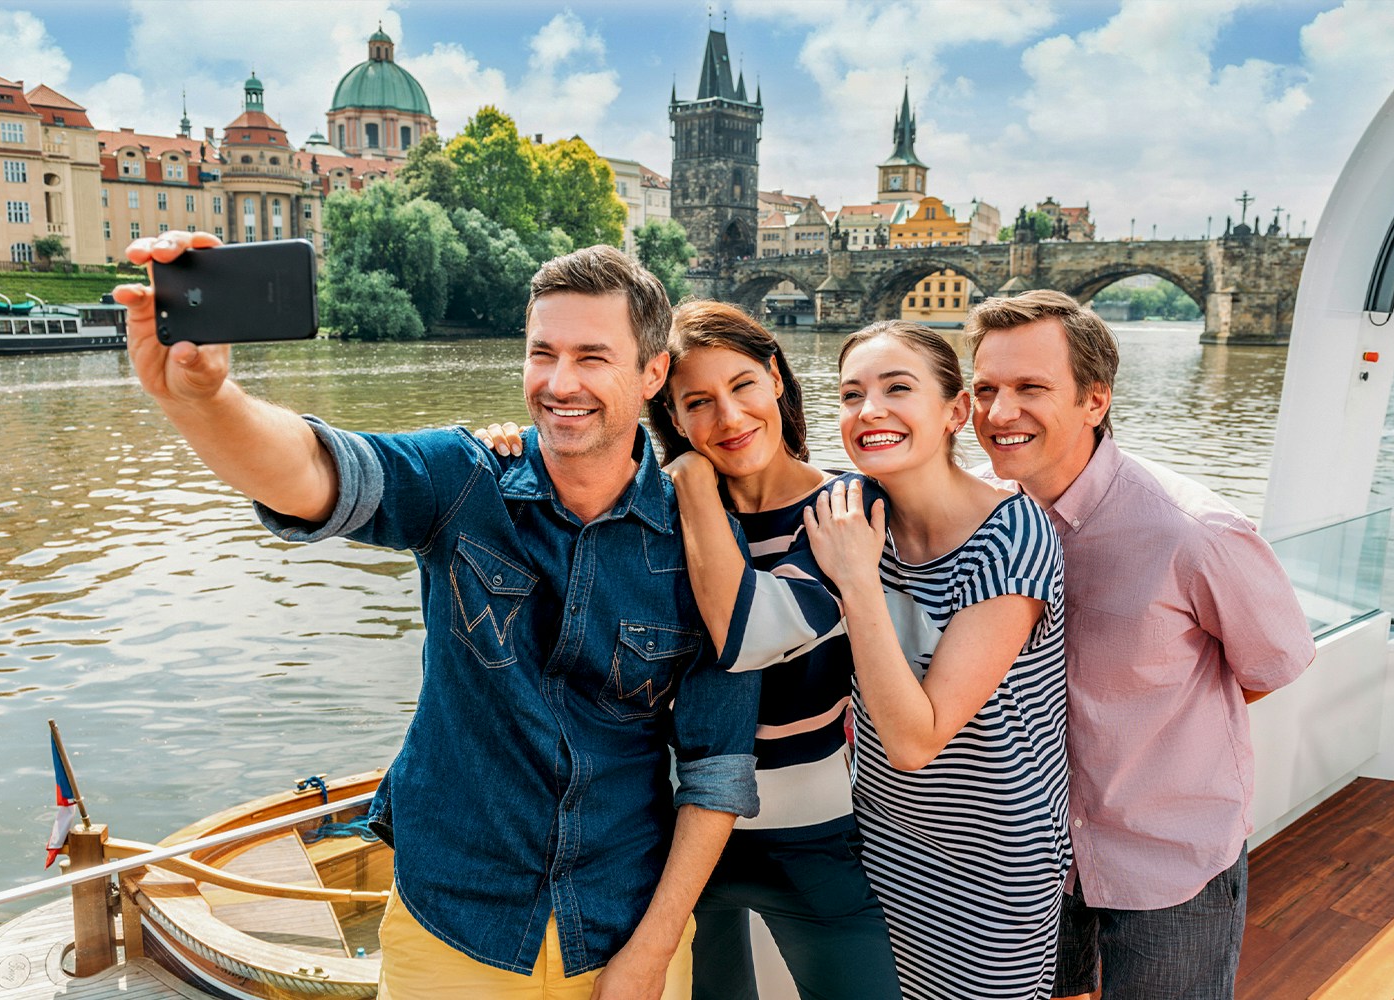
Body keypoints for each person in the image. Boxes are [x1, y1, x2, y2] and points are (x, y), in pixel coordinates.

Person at [113, 234, 761, 1000]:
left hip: (620, 923)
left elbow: (716, 773)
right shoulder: (463, 478)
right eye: (541, 353)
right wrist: (202, 399)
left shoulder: (708, 546)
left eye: (592, 357)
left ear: (653, 372)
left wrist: (651, 953)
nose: (559, 382)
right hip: (453, 921)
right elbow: (319, 472)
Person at [479, 301, 903, 1000]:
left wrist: (698, 485)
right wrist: (516, 446)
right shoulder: (649, 513)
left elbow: (748, 638)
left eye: (742, 387)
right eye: (697, 403)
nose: (729, 419)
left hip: (817, 839)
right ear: (671, 416)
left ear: (775, 378)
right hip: (676, 846)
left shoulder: (847, 507)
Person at [697, 320, 1072, 999]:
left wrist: (858, 579)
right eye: (851, 395)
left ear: (956, 411)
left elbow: (912, 741)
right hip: (883, 843)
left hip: (993, 859)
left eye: (898, 388)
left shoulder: (1010, 534)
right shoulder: (855, 514)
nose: (870, 411)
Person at [963, 290, 1315, 1000]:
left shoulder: (1195, 532)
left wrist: (1147, 724)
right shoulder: (972, 515)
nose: (999, 414)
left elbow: (1274, 663)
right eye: (985, 389)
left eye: (1031, 388)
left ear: (1096, 401)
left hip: (1168, 853)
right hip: (1028, 849)